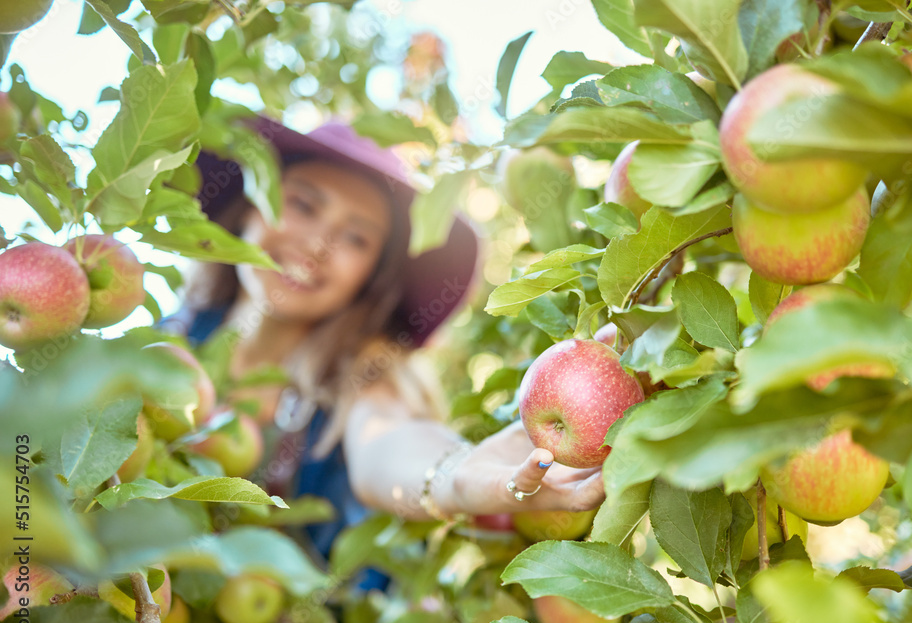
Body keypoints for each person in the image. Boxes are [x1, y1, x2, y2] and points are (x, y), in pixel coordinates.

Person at [161, 116, 605, 566]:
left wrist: (452, 474)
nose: (318, 245)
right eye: (303, 205)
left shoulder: (359, 379)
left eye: (355, 238)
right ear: (252, 205)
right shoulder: (161, 344)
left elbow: (387, 438)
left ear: (370, 276)